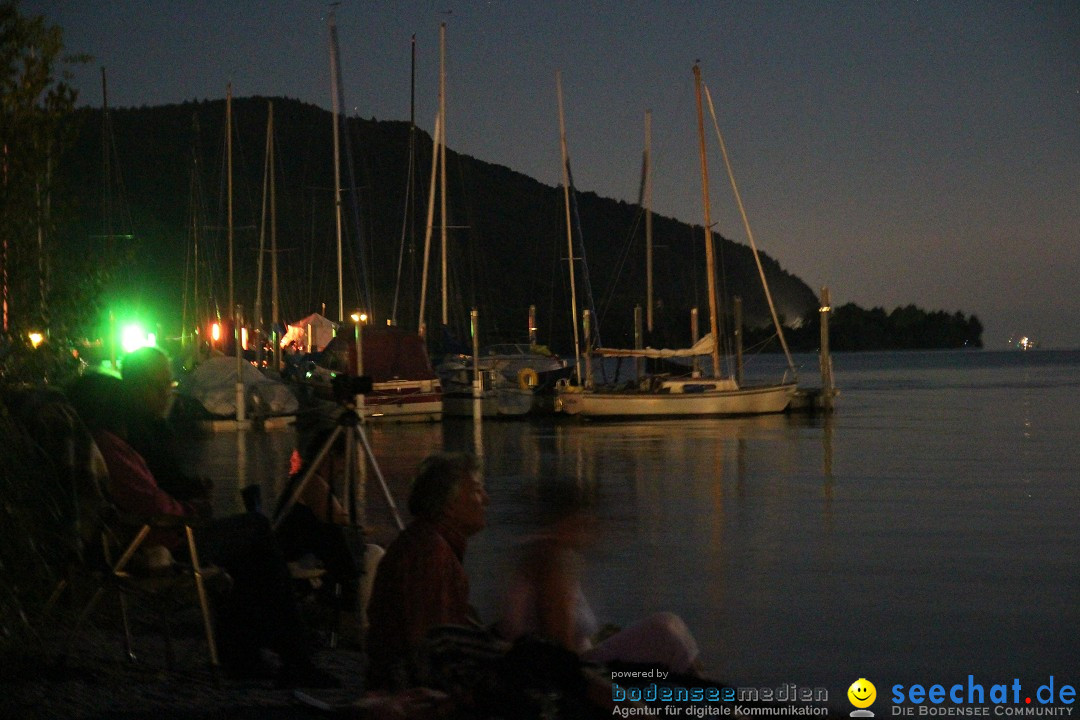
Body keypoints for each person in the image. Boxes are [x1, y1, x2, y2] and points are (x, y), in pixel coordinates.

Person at [67, 372, 338, 688]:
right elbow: (151, 506)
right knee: (257, 531)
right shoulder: (111, 448)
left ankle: (252, 653)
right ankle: (287, 654)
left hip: (141, 539)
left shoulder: (96, 446)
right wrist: (194, 511)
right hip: (161, 542)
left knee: (250, 550)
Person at [497, 480, 701, 676]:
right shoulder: (554, 563)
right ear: (566, 523)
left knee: (663, 634)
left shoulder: (544, 555)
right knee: (666, 629)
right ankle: (716, 702)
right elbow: (562, 649)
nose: (591, 530)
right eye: (582, 523)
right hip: (582, 672)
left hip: (578, 663)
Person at [365, 451, 489, 689]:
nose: (486, 499)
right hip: (407, 688)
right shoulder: (430, 553)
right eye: (476, 490)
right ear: (449, 505)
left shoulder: (427, 542)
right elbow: (427, 645)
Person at [120, 346, 210, 507]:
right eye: (158, 385)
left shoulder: (153, 427)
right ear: (137, 386)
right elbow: (159, 490)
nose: (165, 393)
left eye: (167, 383)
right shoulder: (138, 435)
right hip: (166, 524)